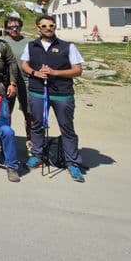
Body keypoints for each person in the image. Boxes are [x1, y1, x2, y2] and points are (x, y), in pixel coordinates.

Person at [22, 14, 86, 183]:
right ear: (38, 28)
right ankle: (37, 155)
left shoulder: (67, 46)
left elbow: (78, 70)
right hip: (38, 91)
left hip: (62, 93)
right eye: (44, 26)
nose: (48, 28)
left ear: (55, 27)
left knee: (67, 127)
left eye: (51, 25)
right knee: (37, 125)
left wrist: (55, 72)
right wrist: (35, 73)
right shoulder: (31, 45)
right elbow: (24, 64)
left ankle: (72, 162)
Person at [3, 15, 33, 148]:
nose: (14, 29)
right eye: (11, 27)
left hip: (26, 81)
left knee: (29, 113)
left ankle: (30, 139)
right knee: (6, 112)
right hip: (8, 82)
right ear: (6, 28)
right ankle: (7, 140)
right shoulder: (2, 42)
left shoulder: (29, 42)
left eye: (17, 27)